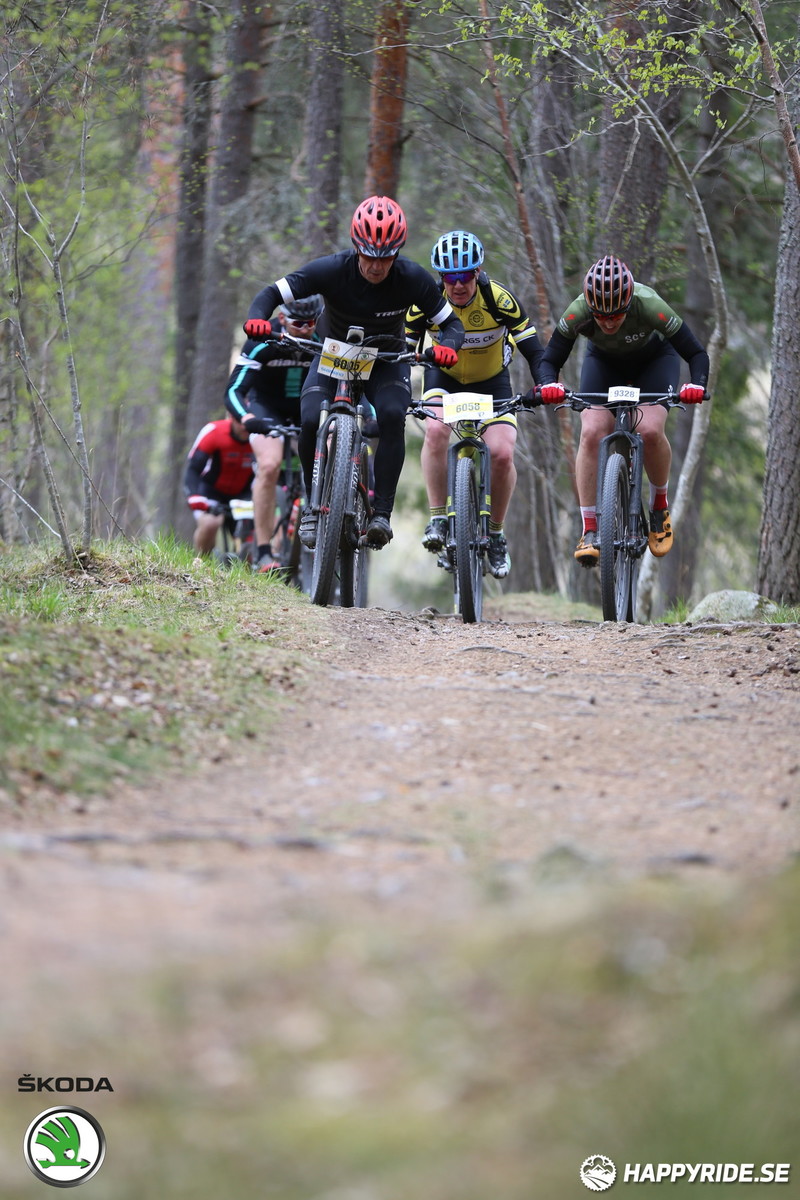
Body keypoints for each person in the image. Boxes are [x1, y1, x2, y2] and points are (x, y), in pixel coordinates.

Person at [242, 195, 465, 550]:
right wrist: (256, 318)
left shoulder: (411, 278)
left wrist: (448, 347)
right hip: (333, 353)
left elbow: (451, 325)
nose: (377, 267)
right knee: (312, 419)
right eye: (369, 256)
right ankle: (314, 507)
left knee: (393, 415)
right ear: (356, 247)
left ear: (397, 253)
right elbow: (273, 293)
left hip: (386, 359)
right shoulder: (331, 269)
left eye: (386, 258)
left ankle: (381, 514)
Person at [537, 254, 709, 566]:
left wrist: (696, 384)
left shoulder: (649, 303)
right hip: (603, 363)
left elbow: (696, 352)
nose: (608, 322)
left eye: (616, 315)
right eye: (601, 316)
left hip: (654, 361)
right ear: (590, 307)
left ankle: (659, 508)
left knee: (650, 430)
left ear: (629, 302)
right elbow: (549, 360)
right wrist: (549, 384)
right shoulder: (578, 311)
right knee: (591, 432)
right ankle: (590, 529)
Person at [406, 230, 544, 579]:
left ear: (478, 271)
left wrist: (546, 383)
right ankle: (438, 517)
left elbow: (533, 349)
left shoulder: (499, 299)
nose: (457, 285)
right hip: (443, 380)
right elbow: (403, 352)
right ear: (440, 277)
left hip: (492, 383)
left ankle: (495, 534)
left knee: (501, 453)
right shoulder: (425, 300)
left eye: (465, 276)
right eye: (449, 277)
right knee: (435, 430)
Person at [225, 295, 323, 572]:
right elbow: (234, 390)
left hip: (308, 407)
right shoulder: (263, 339)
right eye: (298, 323)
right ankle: (264, 551)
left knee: (331, 444)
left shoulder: (325, 337)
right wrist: (246, 417)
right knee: (268, 465)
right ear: (281, 318)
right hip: (267, 408)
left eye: (312, 322)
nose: (306, 329)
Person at [184, 414, 255, 555]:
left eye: (248, 423)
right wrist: (194, 496)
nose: (243, 427)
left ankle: (246, 572)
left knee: (250, 539)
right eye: (239, 421)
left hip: (244, 494)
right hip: (211, 491)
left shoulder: (260, 438)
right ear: (230, 417)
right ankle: (201, 564)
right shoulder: (214, 431)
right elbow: (193, 468)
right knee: (210, 524)